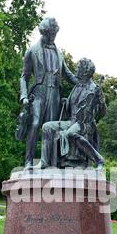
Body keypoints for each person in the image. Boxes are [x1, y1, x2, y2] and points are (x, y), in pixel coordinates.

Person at [20, 17, 78, 169]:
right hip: (38, 93)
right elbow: (24, 77)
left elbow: (67, 73)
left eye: (54, 34)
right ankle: (28, 161)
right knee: (34, 124)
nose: (53, 37)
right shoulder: (32, 51)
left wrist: (83, 82)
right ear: (44, 32)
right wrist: (24, 96)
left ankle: (51, 162)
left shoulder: (59, 53)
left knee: (51, 128)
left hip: (54, 95)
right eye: (51, 34)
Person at [39, 58, 106, 169]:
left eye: (79, 67)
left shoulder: (94, 89)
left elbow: (102, 113)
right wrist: (67, 102)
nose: (76, 69)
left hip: (85, 124)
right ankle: (44, 162)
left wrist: (101, 100)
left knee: (70, 133)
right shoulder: (77, 86)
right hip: (72, 121)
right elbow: (72, 106)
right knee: (47, 127)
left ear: (85, 71)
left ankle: (98, 159)